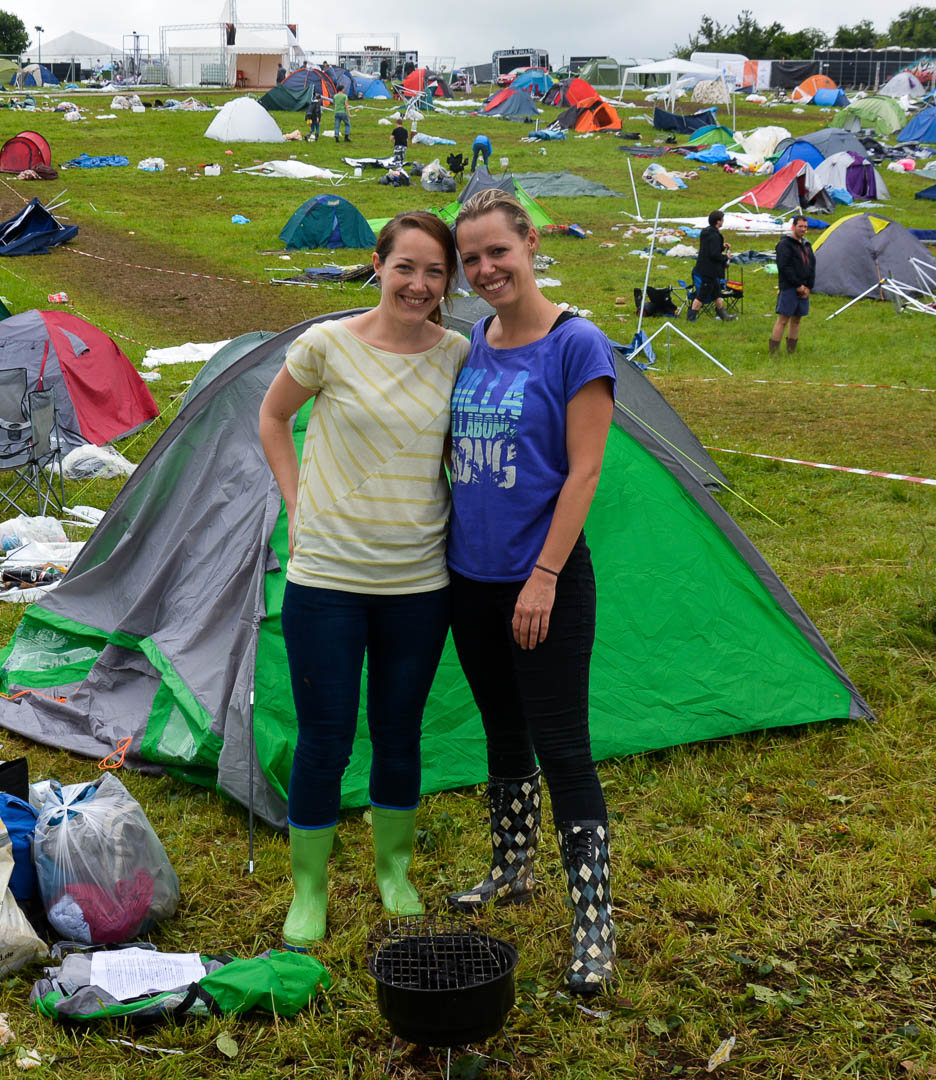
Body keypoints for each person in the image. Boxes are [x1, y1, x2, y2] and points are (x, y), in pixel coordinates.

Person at [257, 212, 469, 949]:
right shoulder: (326, 345)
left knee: (399, 732)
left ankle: (393, 872)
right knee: (325, 738)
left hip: (419, 581)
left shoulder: (457, 354)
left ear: (448, 281)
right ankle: (309, 889)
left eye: (435, 272)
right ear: (377, 265)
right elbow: (273, 419)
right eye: (405, 266)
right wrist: (295, 504)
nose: (418, 284)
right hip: (327, 578)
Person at [446, 188, 618, 995]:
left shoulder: (576, 344)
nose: (485, 270)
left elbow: (585, 471)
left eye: (498, 252)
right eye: (471, 259)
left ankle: (594, 925)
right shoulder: (471, 344)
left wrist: (544, 575)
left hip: (544, 581)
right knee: (503, 731)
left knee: (563, 746)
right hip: (470, 581)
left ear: (530, 244)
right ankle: (512, 867)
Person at [770, 215, 815, 355]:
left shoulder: (807, 245)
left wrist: (808, 287)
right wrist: (797, 285)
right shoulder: (785, 244)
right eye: (800, 226)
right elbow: (784, 267)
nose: (803, 229)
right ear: (793, 227)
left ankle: (791, 351)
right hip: (789, 287)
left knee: (797, 319)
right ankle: (774, 352)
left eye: (805, 227)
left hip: (804, 288)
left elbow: (812, 265)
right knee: (783, 319)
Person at [690, 209, 734, 322]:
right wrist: (726, 257)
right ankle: (691, 318)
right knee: (702, 296)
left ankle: (724, 316)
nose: (723, 221)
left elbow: (710, 248)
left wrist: (722, 246)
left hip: (706, 268)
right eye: (722, 219)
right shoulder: (715, 235)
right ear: (718, 221)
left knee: (717, 294)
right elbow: (714, 254)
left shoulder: (706, 232)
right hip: (709, 270)